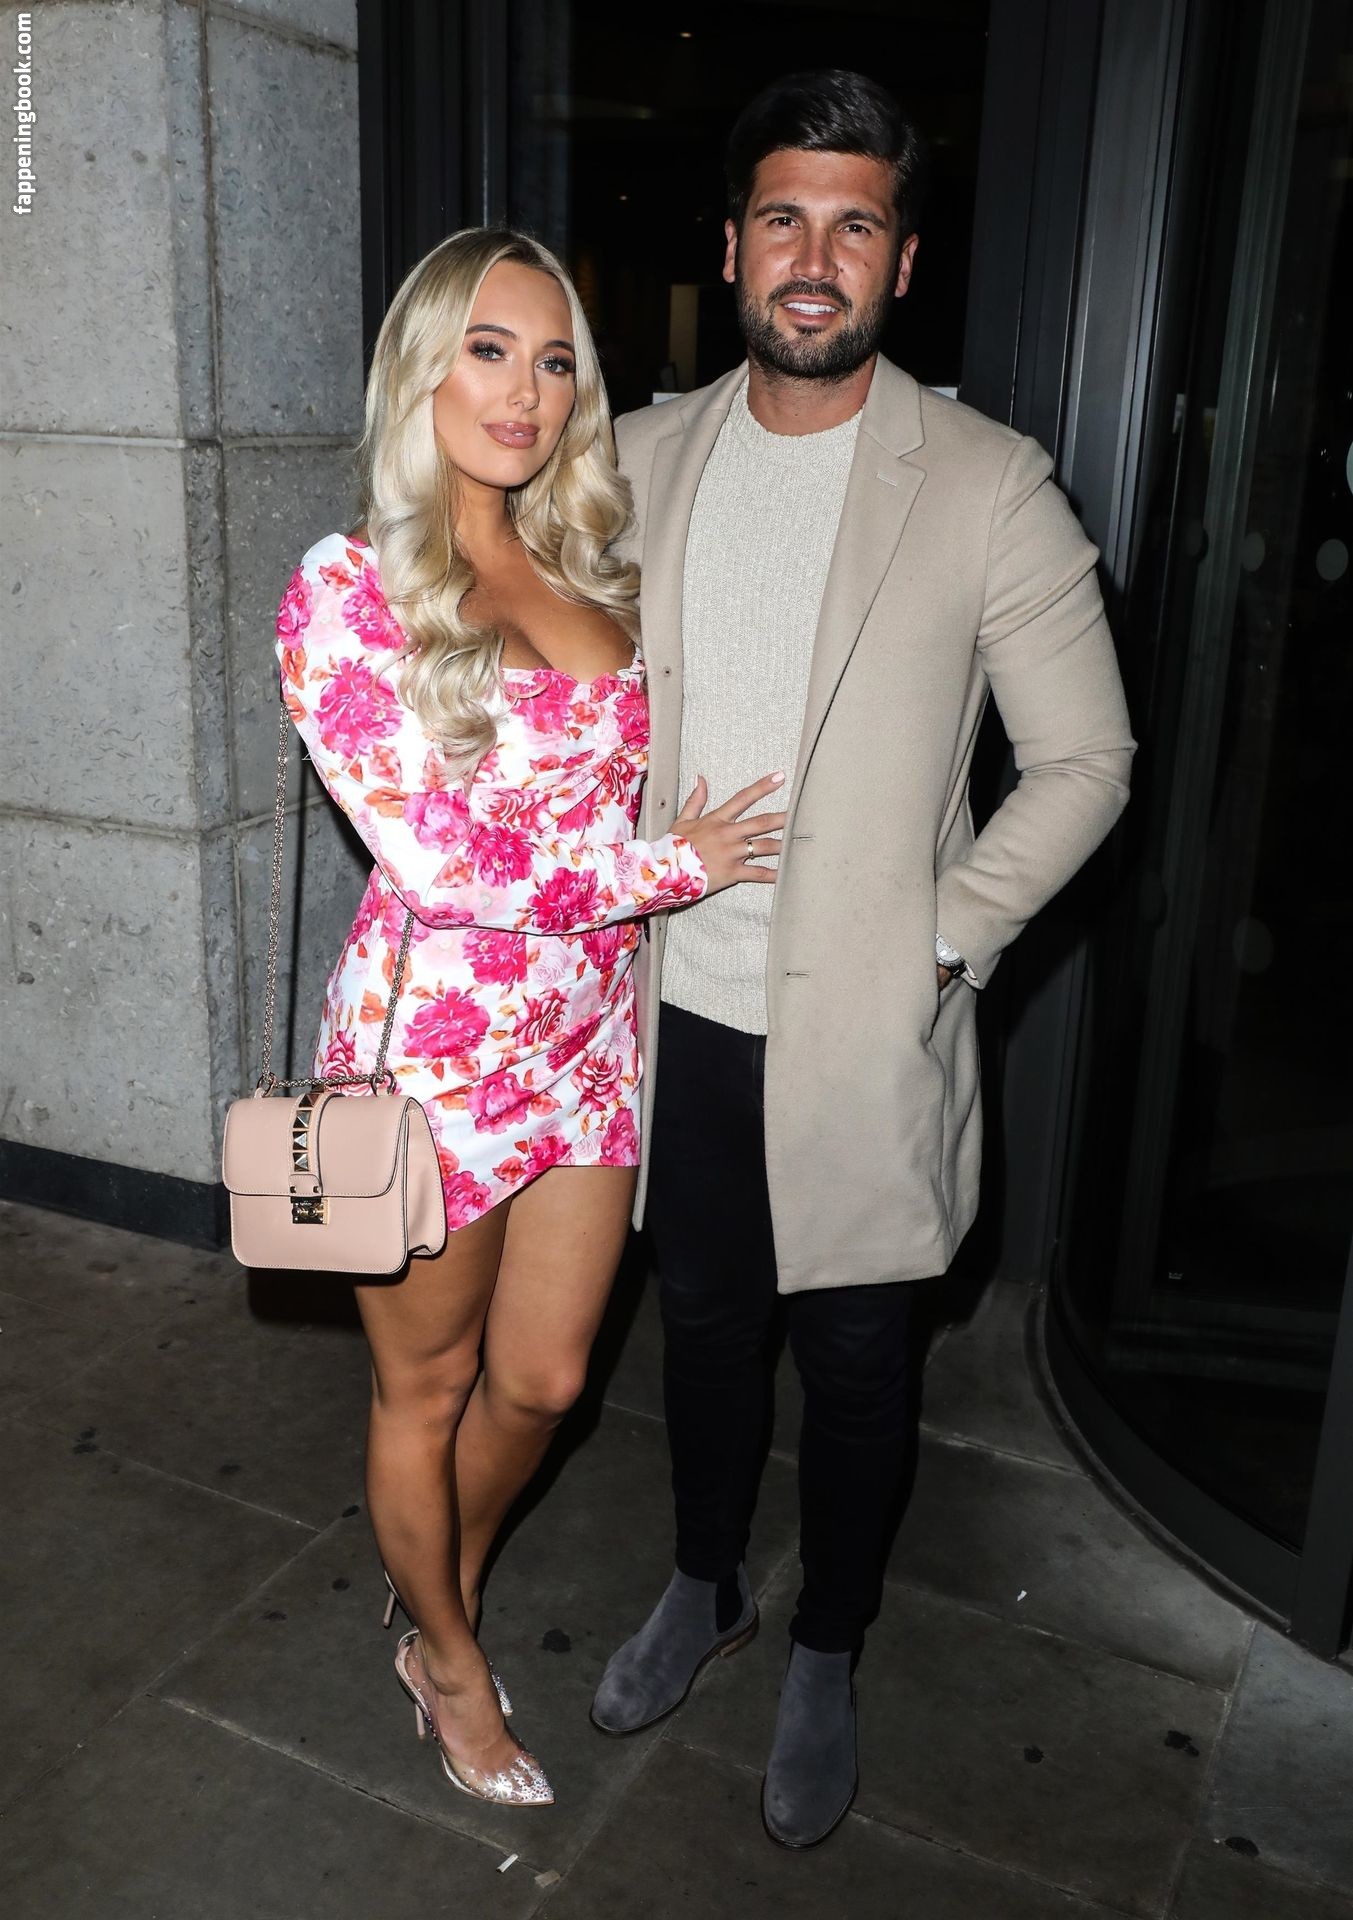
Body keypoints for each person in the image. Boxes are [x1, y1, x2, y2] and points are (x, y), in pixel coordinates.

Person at [589, 70, 1137, 1848]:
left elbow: (1085, 760)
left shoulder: (984, 484)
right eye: (782, 218)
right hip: (671, 1015)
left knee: (852, 1365)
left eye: (853, 224)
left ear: (901, 262)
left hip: (862, 1033)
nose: (811, 257)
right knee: (697, 1326)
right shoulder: (636, 457)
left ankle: (828, 1635)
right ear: (730, 242)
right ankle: (703, 1583)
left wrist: (945, 937)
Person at [274, 228, 784, 1809]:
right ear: (420, 369)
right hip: (429, 1061)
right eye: (488, 350)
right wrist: (671, 867)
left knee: (549, 1382)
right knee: (423, 1391)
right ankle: (448, 1655)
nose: (525, 390)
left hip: (586, 1042)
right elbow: (443, 860)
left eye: (555, 359)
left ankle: (439, 1586)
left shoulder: (587, 567)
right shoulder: (345, 587)